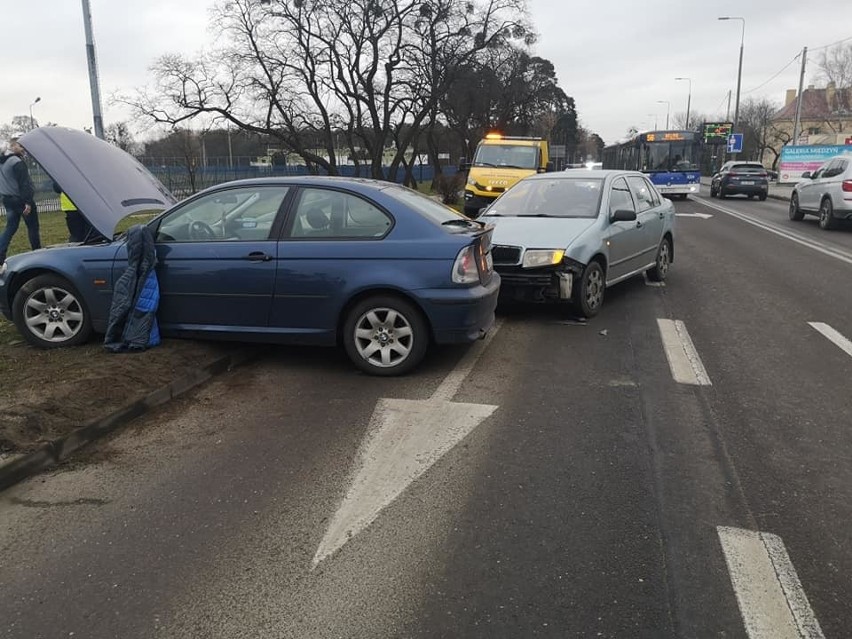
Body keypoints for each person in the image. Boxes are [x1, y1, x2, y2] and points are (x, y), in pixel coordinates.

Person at [0, 137, 40, 263]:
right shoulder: (16, 162)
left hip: (7, 199)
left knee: (10, 227)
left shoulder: (2, 162)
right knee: (33, 227)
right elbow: (24, 184)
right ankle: (37, 252)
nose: (23, 149)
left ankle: (1, 252)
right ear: (12, 147)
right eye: (20, 146)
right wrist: (28, 202)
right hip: (21, 200)